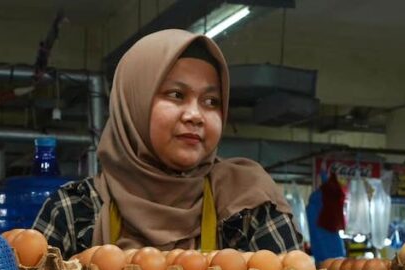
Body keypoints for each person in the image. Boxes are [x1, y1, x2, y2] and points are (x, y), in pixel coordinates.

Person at [32, 29, 300, 256]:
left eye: (211, 102)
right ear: (134, 102)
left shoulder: (247, 205)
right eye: (176, 94)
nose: (195, 115)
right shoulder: (73, 211)